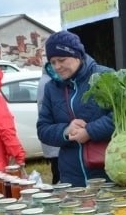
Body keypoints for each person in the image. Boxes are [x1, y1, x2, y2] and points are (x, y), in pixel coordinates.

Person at [37, 30, 114, 187]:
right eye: (52, 62)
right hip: (72, 178)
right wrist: (66, 131)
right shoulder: (51, 88)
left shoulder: (105, 76)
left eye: (62, 60)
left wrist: (90, 131)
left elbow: (122, 116)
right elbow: (43, 129)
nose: (57, 66)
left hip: (108, 172)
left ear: (77, 55)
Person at [37, 70, 60, 183]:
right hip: (57, 143)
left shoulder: (45, 80)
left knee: (56, 171)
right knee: (58, 174)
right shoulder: (49, 82)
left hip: (54, 143)